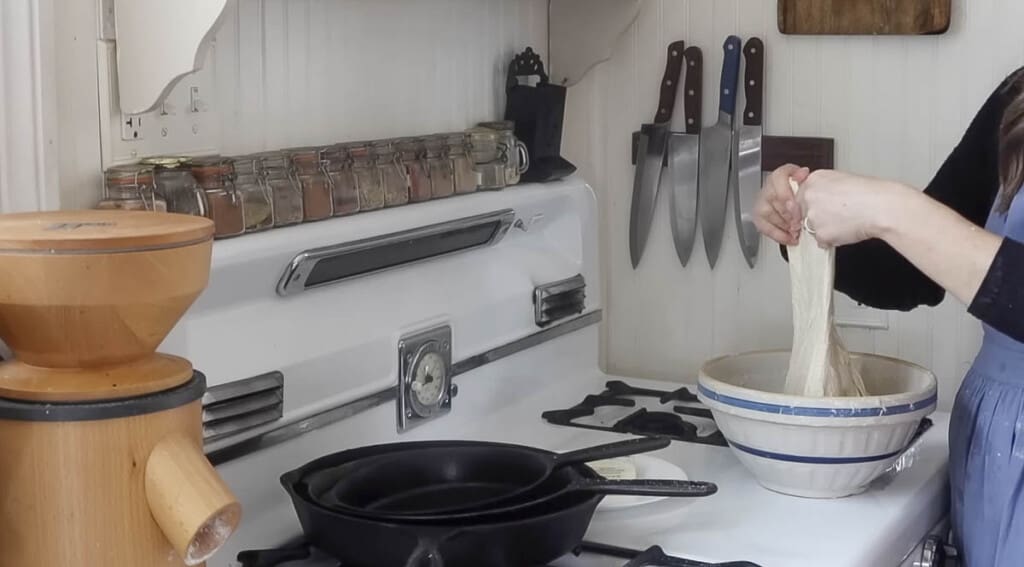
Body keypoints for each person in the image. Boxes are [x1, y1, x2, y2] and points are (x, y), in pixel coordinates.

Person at [755, 69, 1024, 567]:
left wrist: (891, 207)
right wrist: (804, 227)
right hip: (992, 451)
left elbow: (912, 225)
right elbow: (909, 275)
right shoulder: (1020, 98)